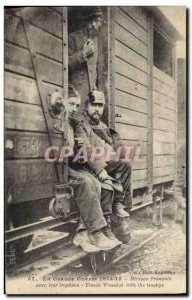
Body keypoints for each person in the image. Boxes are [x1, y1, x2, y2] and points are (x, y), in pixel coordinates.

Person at [65, 85, 121, 252]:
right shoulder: (67, 123)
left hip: (75, 164)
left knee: (99, 184)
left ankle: (97, 230)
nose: (74, 109)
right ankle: (94, 232)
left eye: (76, 105)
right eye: (71, 104)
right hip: (63, 167)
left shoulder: (73, 122)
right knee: (87, 182)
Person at [72, 90, 132, 235]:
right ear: (87, 105)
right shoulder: (81, 123)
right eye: (94, 105)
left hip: (102, 162)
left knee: (125, 164)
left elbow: (113, 143)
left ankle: (119, 202)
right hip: (87, 166)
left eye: (100, 105)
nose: (98, 109)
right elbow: (85, 148)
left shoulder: (103, 126)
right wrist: (100, 169)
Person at [68, 7, 103, 109]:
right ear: (87, 21)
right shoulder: (72, 38)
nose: (94, 25)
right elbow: (64, 65)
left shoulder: (97, 42)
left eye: (98, 22)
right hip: (74, 98)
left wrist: (95, 87)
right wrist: (82, 54)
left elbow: (96, 69)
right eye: (92, 21)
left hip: (90, 99)